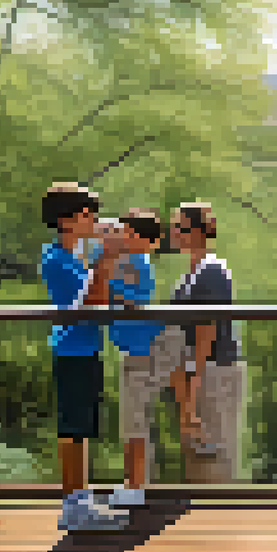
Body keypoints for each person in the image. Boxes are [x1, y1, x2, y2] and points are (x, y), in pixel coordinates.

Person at [40, 183, 129, 531]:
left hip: (84, 347)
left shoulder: (73, 254)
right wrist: (106, 259)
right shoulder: (57, 259)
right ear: (66, 220)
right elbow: (88, 305)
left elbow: (99, 299)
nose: (93, 220)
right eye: (87, 214)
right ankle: (74, 506)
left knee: (81, 428)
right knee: (73, 428)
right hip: (73, 348)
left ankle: (81, 500)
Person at [91, 208, 191, 508]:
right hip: (138, 346)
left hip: (148, 345)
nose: (119, 235)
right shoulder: (118, 258)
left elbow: (141, 297)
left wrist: (108, 285)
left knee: (134, 419)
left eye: (126, 232)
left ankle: (135, 487)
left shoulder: (137, 260)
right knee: (134, 419)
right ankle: (137, 484)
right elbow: (92, 249)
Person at [166, 203, 243, 475]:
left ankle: (222, 515)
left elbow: (207, 329)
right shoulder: (191, 273)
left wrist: (193, 384)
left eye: (182, 228)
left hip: (212, 369)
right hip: (195, 370)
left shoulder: (212, 271)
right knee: (197, 460)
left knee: (215, 459)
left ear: (202, 232)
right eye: (173, 227)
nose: (175, 233)